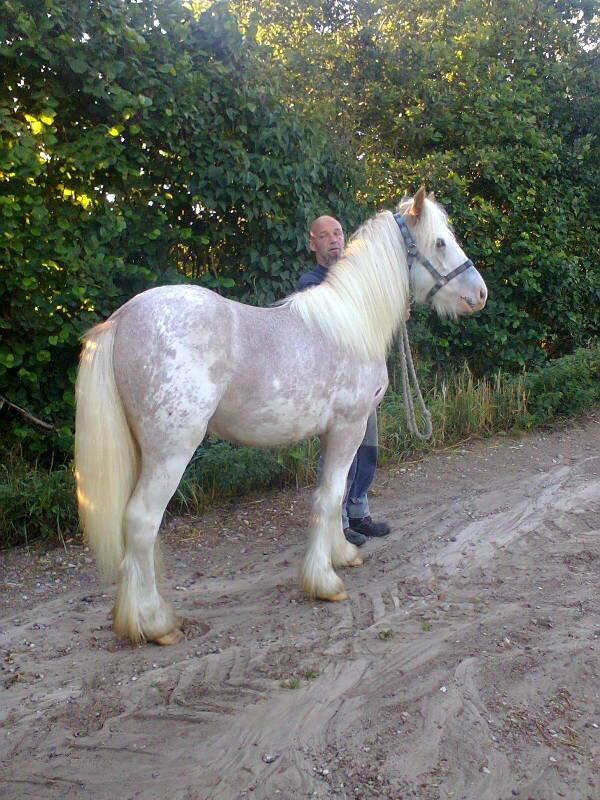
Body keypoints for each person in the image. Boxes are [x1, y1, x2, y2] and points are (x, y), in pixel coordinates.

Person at [297, 215, 391, 547]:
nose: (334, 239)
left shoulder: (357, 280)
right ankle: (338, 521)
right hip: (333, 388)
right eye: (325, 235)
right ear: (313, 244)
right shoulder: (311, 283)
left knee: (367, 451)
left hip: (361, 383)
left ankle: (359, 511)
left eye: (338, 233)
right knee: (340, 456)